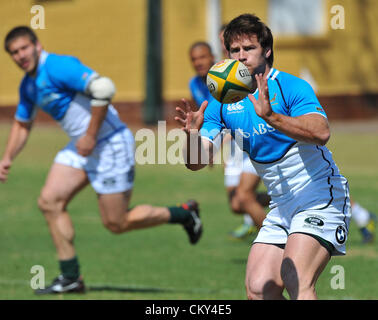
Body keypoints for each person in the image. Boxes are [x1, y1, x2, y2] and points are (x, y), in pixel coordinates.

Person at [0, 26, 202, 295]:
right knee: (49, 202)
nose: (20, 55)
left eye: (24, 48)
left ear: (36, 45)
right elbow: (22, 124)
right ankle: (71, 276)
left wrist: (91, 135)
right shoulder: (28, 85)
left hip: (110, 143)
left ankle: (184, 213)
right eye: (14, 52)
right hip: (82, 147)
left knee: (116, 223)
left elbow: (104, 89)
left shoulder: (59, 66)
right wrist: (7, 158)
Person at [176, 14, 351, 299]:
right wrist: (192, 136)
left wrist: (271, 116)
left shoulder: (289, 87)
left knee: (296, 278)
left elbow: (321, 132)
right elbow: (196, 162)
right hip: (281, 206)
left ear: (266, 50)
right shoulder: (221, 103)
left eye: (249, 48)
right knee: (259, 288)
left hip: (319, 196)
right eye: (235, 50)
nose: (241, 56)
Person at [188, 41, 269, 237]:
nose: (198, 62)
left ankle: (275, 241)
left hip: (247, 139)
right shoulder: (195, 84)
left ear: (212, 57)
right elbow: (211, 119)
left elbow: (238, 113)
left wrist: (218, 147)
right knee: (236, 204)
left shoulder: (231, 78)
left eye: (202, 57)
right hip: (229, 144)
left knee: (244, 196)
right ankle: (289, 198)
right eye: (194, 59)